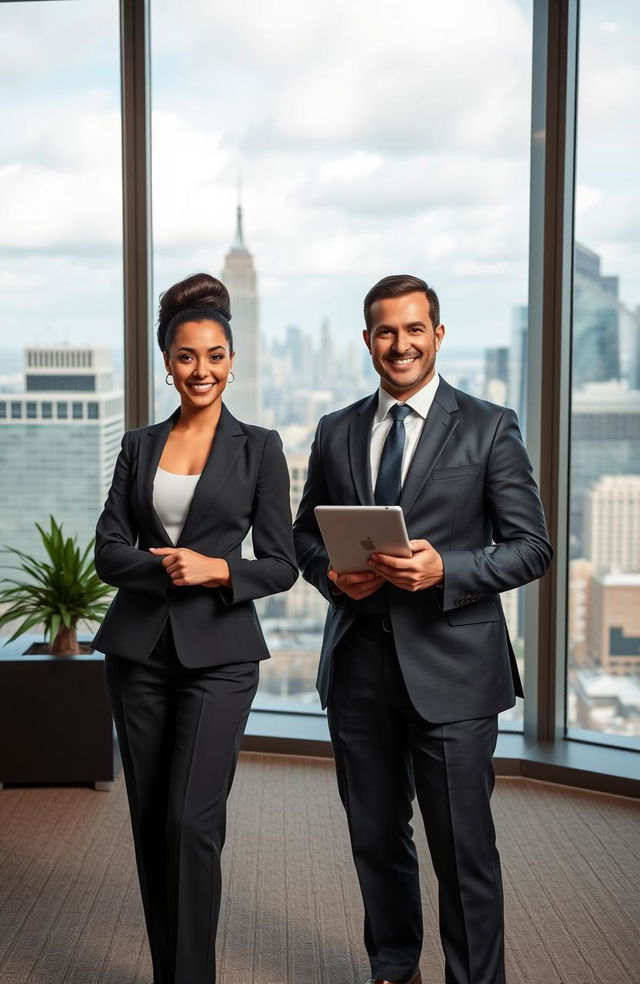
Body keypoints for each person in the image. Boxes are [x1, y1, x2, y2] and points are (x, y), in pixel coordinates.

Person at [293, 274, 552, 984]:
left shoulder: (488, 425)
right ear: (367, 340)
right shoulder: (335, 428)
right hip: (357, 669)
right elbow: (303, 535)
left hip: (455, 673)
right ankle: (393, 965)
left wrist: (448, 570)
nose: (399, 344)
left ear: (438, 335)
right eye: (385, 331)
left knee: (462, 850)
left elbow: (533, 547)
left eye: (414, 330)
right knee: (374, 838)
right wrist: (330, 575)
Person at [92, 272, 298, 984]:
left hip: (221, 657)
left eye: (214, 356)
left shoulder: (260, 447)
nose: (201, 370)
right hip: (139, 652)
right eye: (186, 356)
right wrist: (165, 570)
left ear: (232, 360)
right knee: (151, 824)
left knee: (191, 823)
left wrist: (216, 571)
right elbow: (107, 550)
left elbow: (282, 563)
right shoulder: (138, 446)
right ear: (168, 361)